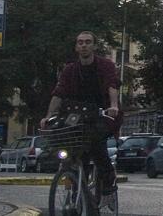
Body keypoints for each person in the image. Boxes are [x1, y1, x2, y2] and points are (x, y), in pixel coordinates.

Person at [40, 31, 121, 203]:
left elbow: (111, 86)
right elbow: (58, 93)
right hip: (77, 114)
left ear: (94, 46)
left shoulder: (105, 65)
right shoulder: (70, 70)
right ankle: (74, 182)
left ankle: (108, 179)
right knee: (70, 145)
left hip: (103, 113)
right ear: (76, 47)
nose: (84, 45)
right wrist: (49, 116)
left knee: (96, 144)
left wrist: (113, 106)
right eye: (80, 42)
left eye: (88, 42)